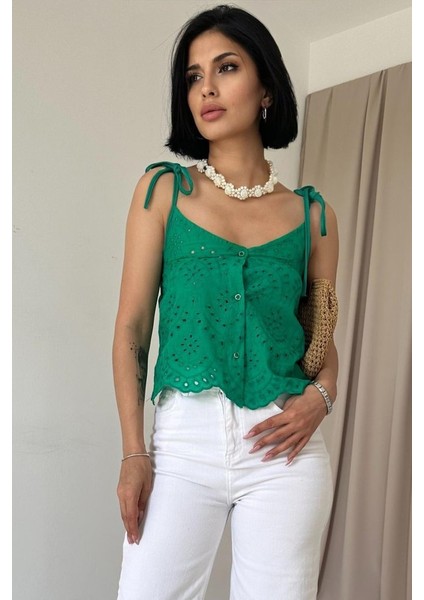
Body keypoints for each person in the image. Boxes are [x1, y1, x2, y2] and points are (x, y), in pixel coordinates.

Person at [112, 5, 339, 599]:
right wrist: (134, 452)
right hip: (182, 444)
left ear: (267, 88)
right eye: (194, 76)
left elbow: (320, 338)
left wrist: (321, 398)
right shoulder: (164, 191)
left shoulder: (313, 216)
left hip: (285, 450)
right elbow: (132, 329)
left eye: (227, 67)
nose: (206, 88)